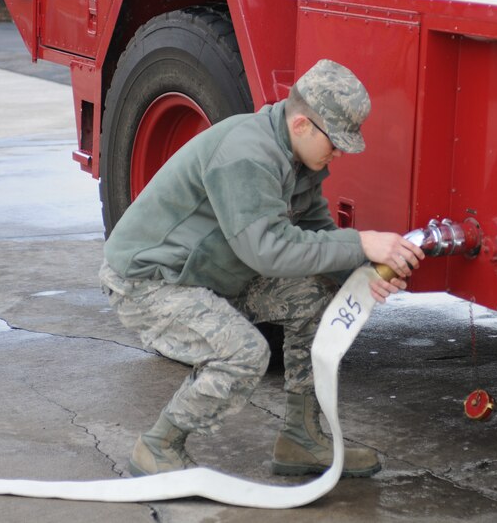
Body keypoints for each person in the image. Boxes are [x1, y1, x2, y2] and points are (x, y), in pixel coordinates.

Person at [99, 59, 425, 479]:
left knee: (317, 296)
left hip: (209, 273)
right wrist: (361, 242)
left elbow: (314, 231)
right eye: (336, 141)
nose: (340, 152)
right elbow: (268, 252)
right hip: (150, 281)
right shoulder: (247, 154)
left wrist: (363, 274)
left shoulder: (296, 157)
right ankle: (158, 446)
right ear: (303, 124)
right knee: (246, 353)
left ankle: (301, 438)